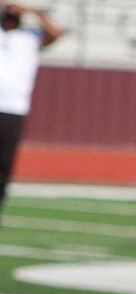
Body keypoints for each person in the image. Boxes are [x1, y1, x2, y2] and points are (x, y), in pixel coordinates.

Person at [0, 3, 60, 211]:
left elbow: (55, 33)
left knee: (4, 165)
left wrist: (29, 10)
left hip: (14, 109)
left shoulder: (29, 37)